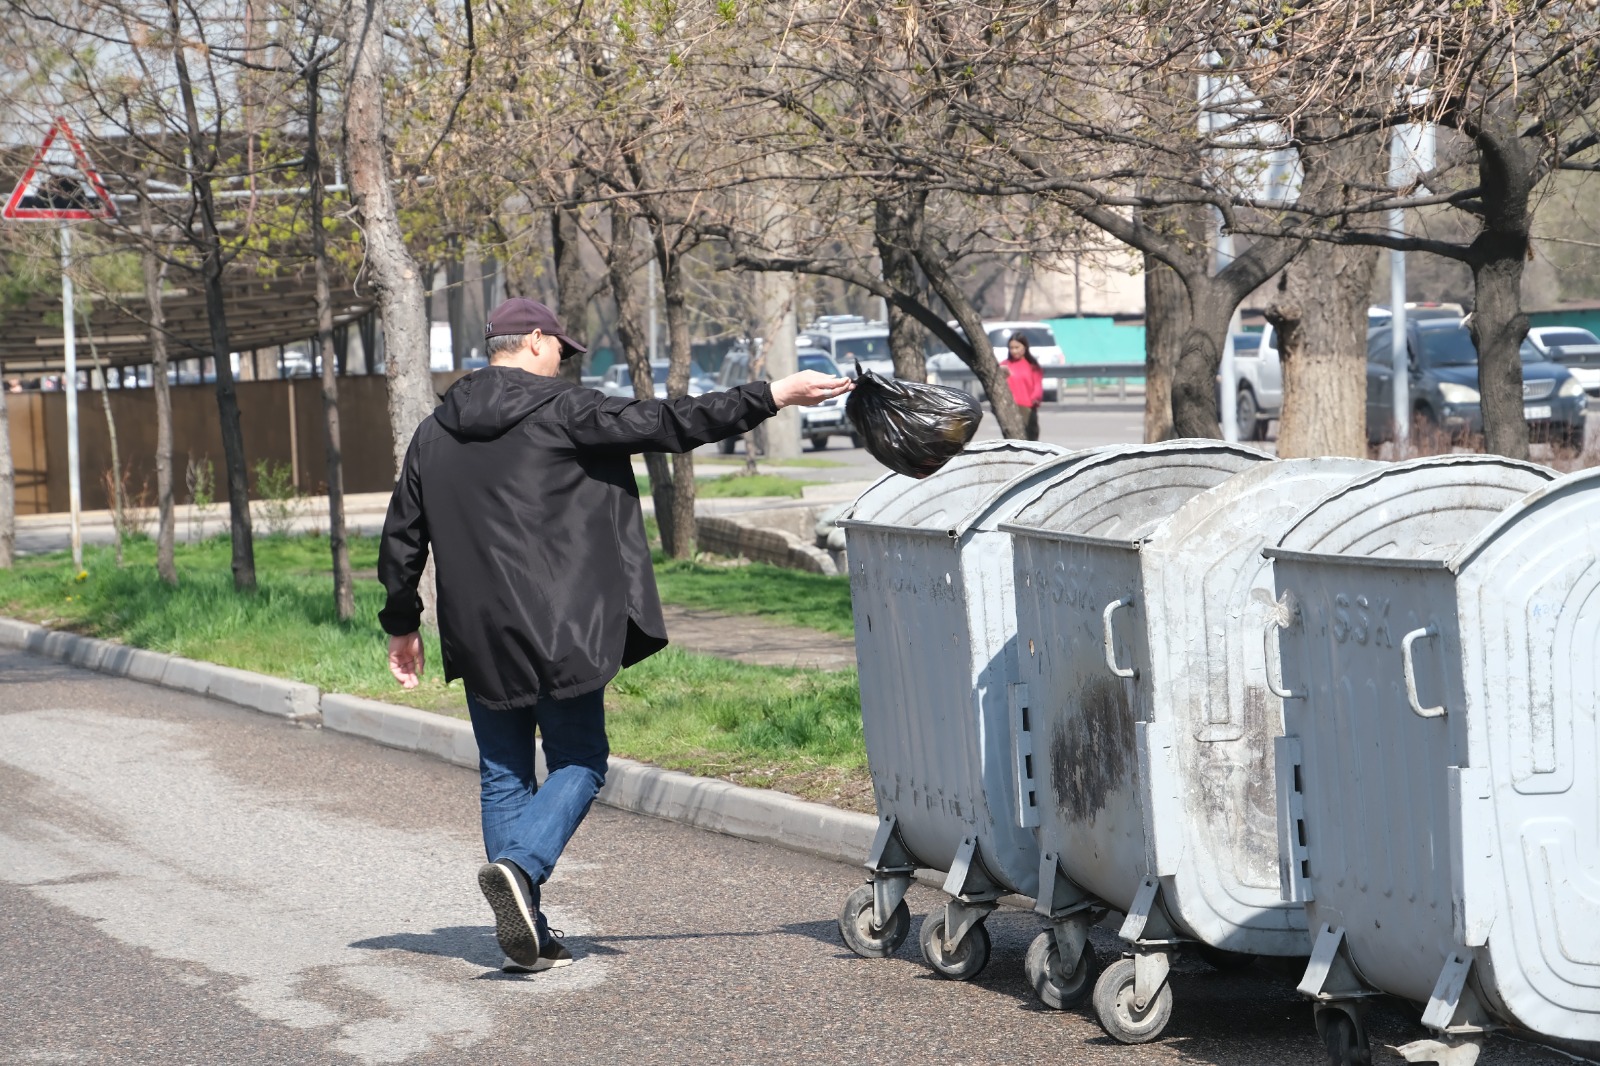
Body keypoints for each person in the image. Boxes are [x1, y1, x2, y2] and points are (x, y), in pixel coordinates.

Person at [377, 297, 851, 974]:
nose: (564, 361)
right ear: (535, 340)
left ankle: (526, 928)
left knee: (503, 772)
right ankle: (520, 865)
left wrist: (401, 626)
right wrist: (771, 394)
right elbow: (669, 422)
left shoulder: (434, 432)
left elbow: (401, 539)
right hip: (562, 623)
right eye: (560, 349)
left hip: (478, 630)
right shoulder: (564, 410)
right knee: (579, 761)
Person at [1001, 333, 1044, 441]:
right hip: (1009, 408)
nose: (1014, 351)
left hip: (1027, 407)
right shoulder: (1005, 365)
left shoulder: (1032, 365)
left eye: (1017, 347)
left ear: (1024, 347)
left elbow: (1037, 385)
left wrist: (1035, 398)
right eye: (1011, 348)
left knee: (1030, 440)